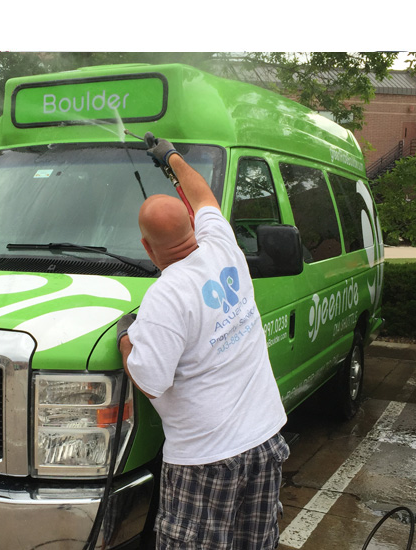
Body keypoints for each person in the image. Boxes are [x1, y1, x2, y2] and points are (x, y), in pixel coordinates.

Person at [116, 133, 289, 549]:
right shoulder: (223, 245)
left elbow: (150, 379)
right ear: (193, 224)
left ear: (145, 246)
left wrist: (126, 338)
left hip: (206, 460)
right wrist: (171, 157)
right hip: (265, 442)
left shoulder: (165, 296)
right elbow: (204, 195)